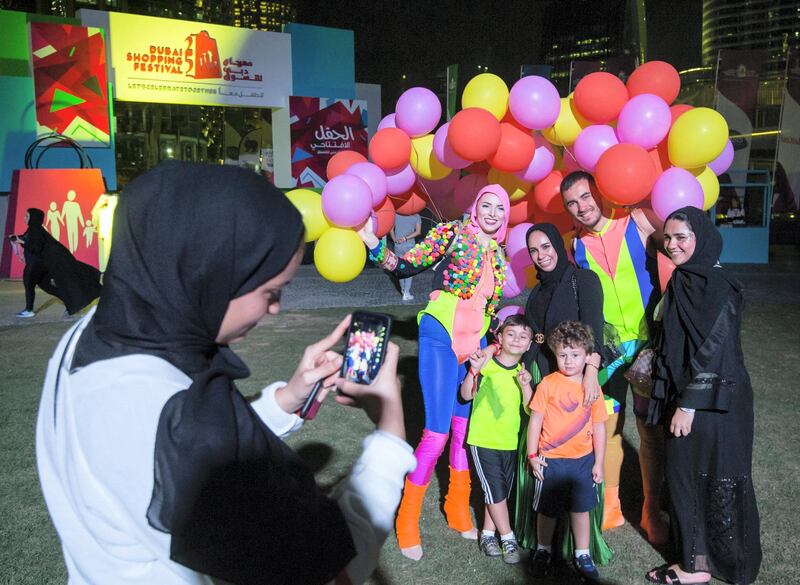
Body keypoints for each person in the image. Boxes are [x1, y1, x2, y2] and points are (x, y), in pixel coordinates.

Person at [36, 162, 417, 585]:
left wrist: (288, 398)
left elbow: (166, 440)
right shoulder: (184, 422)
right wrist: (390, 431)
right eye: (270, 292)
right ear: (208, 275)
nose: (275, 309)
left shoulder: (95, 333)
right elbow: (329, 571)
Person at [358, 184, 510, 560]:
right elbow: (409, 264)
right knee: (438, 432)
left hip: (471, 345)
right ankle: (407, 518)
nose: (492, 213)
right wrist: (372, 244)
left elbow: (489, 305)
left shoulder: (499, 253)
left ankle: (457, 507)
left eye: (499, 209)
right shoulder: (455, 232)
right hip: (440, 333)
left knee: (463, 430)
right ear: (476, 207)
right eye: (485, 205)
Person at [645, 207, 762, 585]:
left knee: (716, 477)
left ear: (702, 238)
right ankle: (696, 562)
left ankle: (708, 564)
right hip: (691, 397)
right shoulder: (684, 280)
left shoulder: (718, 285)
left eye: (682, 237)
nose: (674, 244)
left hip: (716, 403)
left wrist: (689, 404)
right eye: (669, 237)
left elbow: (717, 347)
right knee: (684, 477)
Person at [560, 170, 669, 543]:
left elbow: (678, 251)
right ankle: (610, 507)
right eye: (572, 203)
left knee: (650, 433)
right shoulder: (572, 245)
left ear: (599, 192)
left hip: (646, 351)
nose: (581, 207)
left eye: (585, 197)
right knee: (607, 431)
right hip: (605, 355)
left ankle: (652, 509)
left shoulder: (636, 220)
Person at [513, 222, 611, 564]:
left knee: (579, 452)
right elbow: (535, 337)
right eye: (534, 251)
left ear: (559, 243)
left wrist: (591, 374)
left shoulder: (583, 280)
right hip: (542, 377)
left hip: (578, 377)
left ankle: (581, 547)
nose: (541, 255)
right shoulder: (537, 292)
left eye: (546, 246)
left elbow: (595, 330)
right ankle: (541, 541)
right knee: (541, 448)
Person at [527, 321, 607, 583]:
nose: (569, 361)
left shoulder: (592, 387)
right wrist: (532, 455)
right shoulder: (548, 384)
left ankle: (582, 554)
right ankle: (543, 550)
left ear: (587, 356)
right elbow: (535, 421)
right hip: (550, 460)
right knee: (547, 510)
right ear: (554, 354)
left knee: (580, 510)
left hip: (583, 461)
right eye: (563, 355)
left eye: (575, 355)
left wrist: (599, 462)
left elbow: (599, 427)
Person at [459, 314, 534, 565]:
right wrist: (474, 370)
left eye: (523, 337)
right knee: (495, 490)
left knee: (498, 493)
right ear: (499, 337)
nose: (516, 340)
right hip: (483, 439)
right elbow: (465, 395)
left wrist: (526, 387)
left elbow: (529, 410)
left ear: (529, 345)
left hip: (509, 442)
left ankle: (488, 534)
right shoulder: (487, 364)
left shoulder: (523, 373)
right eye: (511, 334)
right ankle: (508, 537)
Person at [9, 207, 101, 318]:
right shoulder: (34, 229)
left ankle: (29, 310)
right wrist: (17, 238)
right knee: (46, 286)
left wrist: (20, 240)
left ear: (33, 218)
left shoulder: (36, 230)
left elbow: (36, 246)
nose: (24, 218)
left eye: (27, 216)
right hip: (43, 264)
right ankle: (71, 303)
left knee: (29, 282)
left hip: (40, 264)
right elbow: (28, 239)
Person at [390, 212, 422, 300]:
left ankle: (403, 290)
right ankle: (406, 293)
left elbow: (391, 229)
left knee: (400, 268)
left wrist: (394, 239)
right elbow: (418, 232)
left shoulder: (396, 215)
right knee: (409, 269)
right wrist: (406, 238)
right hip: (409, 246)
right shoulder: (416, 216)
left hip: (398, 246)